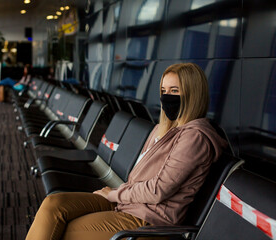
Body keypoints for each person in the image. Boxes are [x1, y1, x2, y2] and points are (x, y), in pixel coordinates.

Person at [25, 63, 228, 240]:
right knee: (54, 204)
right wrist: (118, 196)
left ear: (193, 94)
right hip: (127, 203)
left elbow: (158, 191)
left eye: (175, 91)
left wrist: (115, 194)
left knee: (63, 230)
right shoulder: (163, 128)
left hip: (148, 220)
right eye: (164, 91)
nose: (167, 97)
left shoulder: (195, 137)